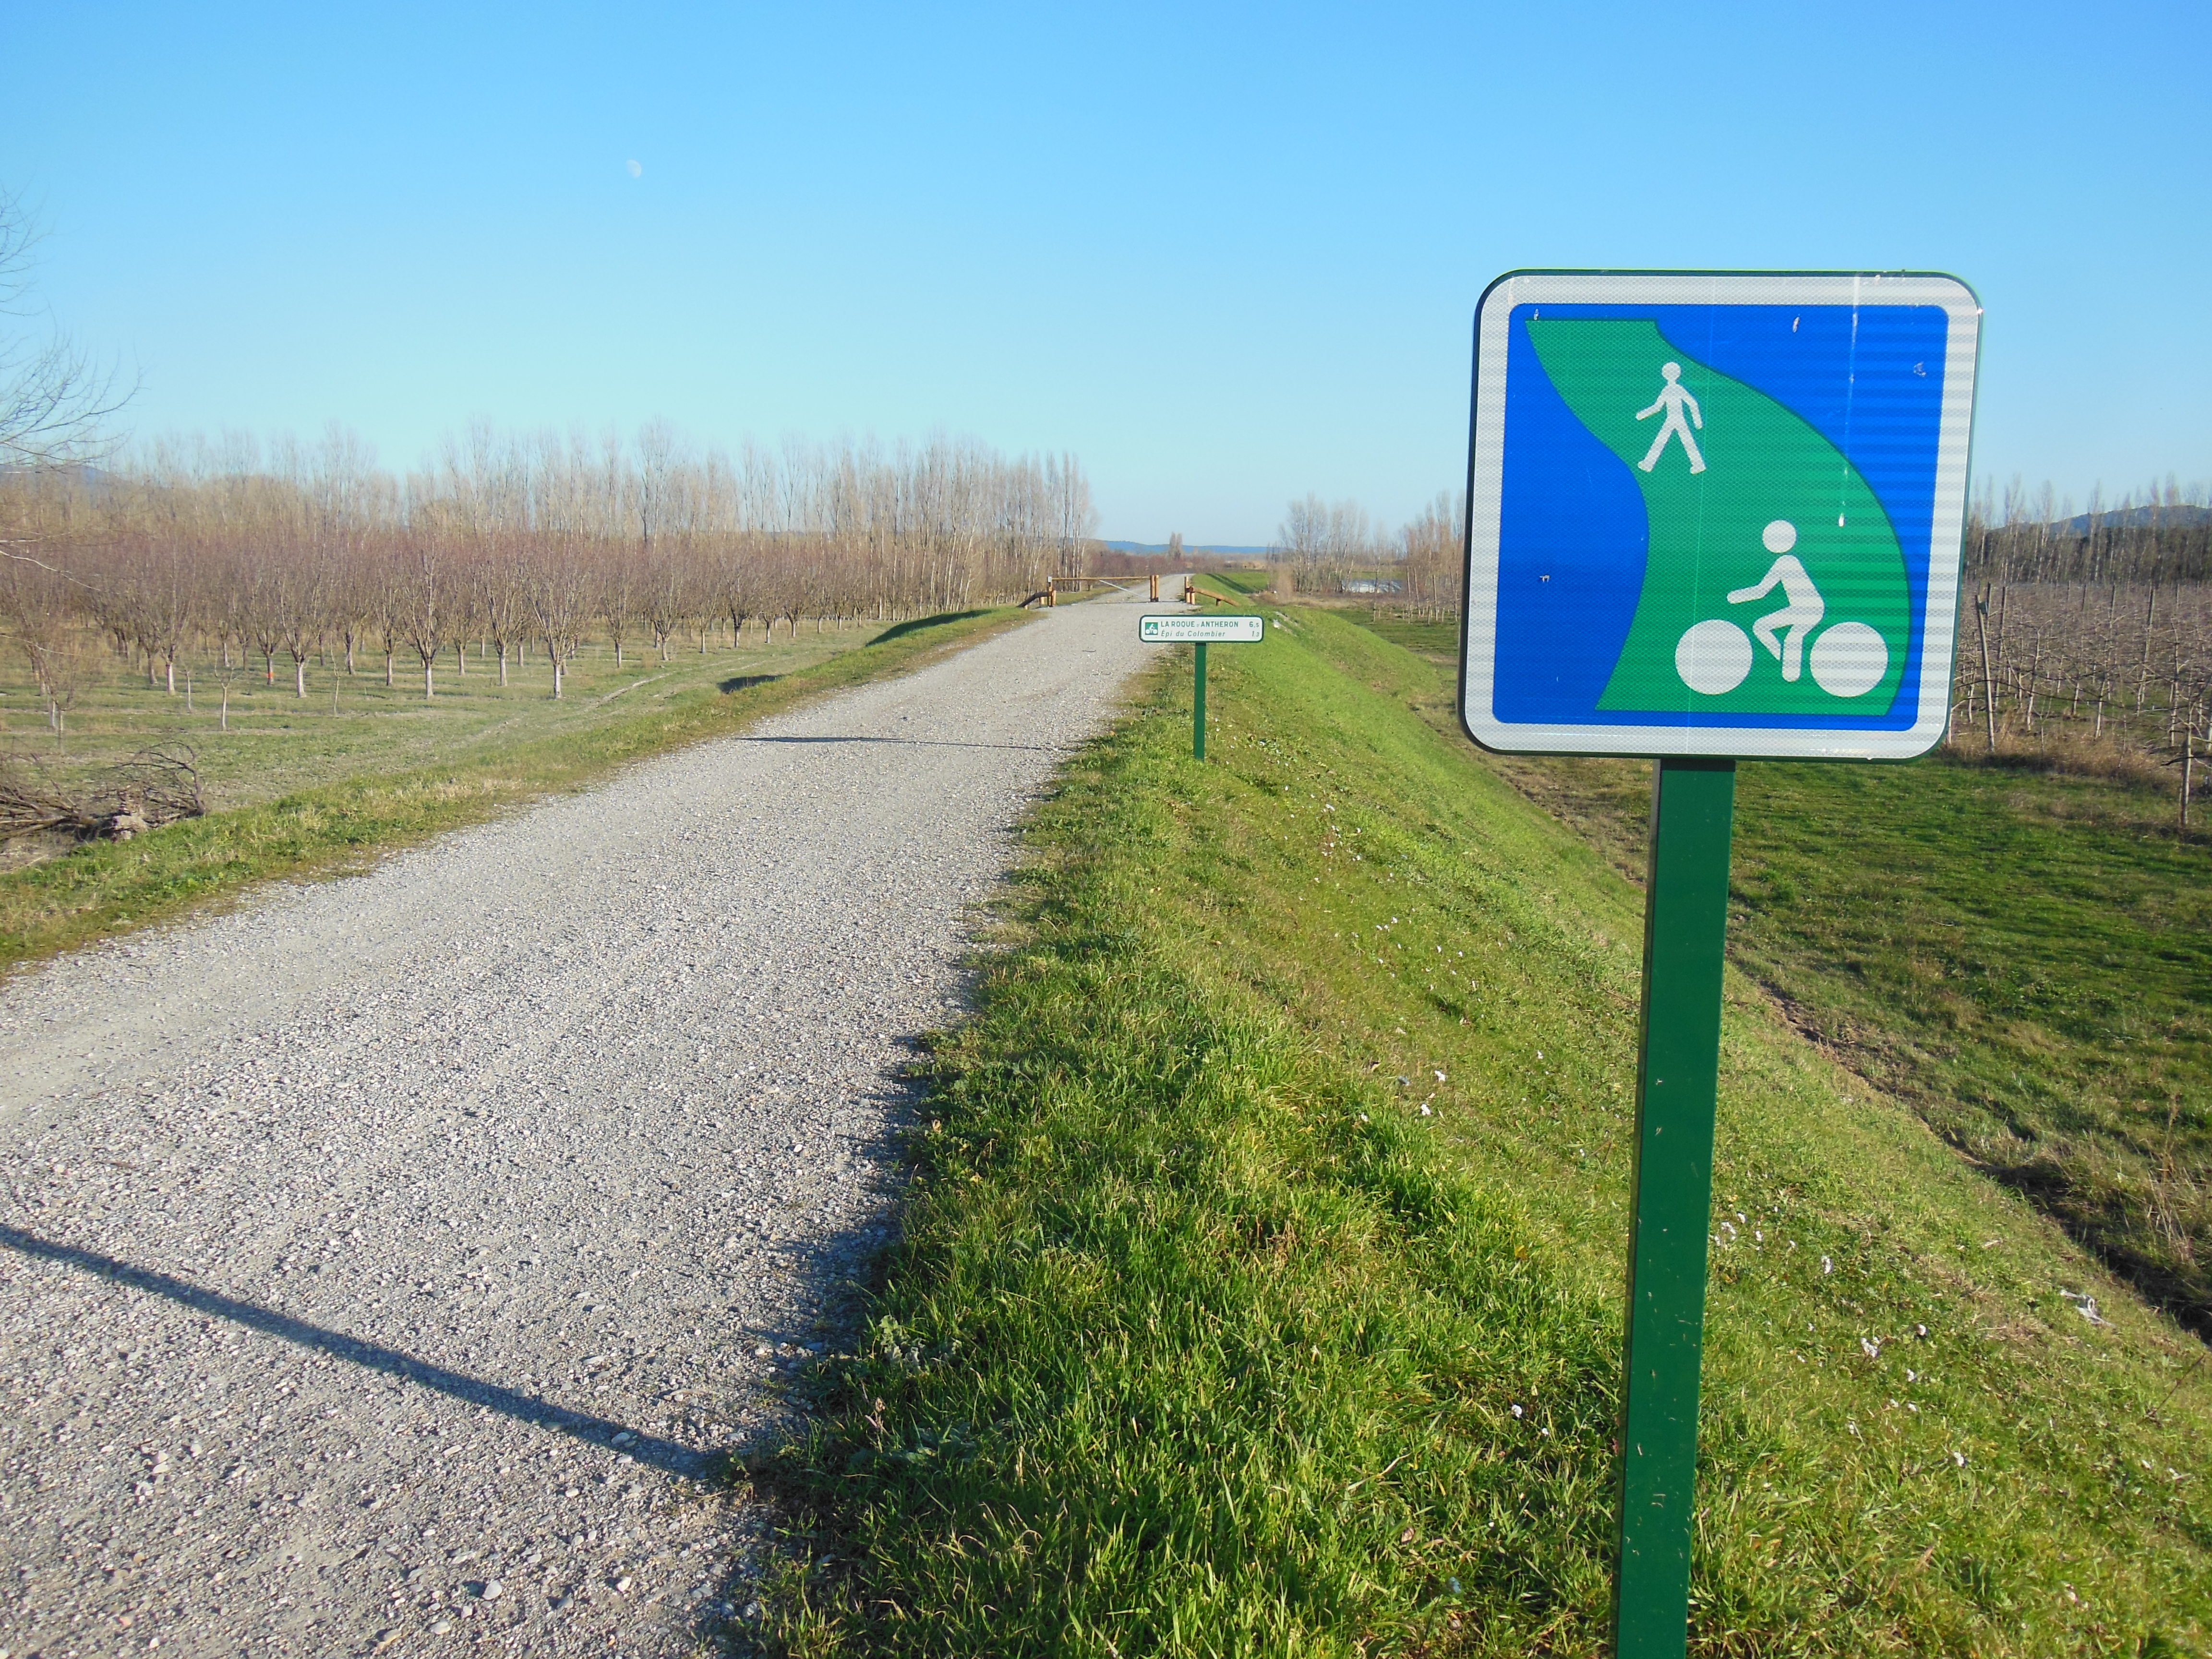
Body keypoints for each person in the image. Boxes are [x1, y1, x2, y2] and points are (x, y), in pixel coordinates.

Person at [1635, 362, 1706, 474]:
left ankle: (1648, 464)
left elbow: (1692, 403)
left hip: (1676, 418)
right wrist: (1643, 414)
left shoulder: (1676, 389)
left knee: (1669, 440)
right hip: (1673, 418)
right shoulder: (1669, 389)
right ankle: (1648, 464)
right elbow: (1658, 407)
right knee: (1681, 440)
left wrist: (1698, 421)